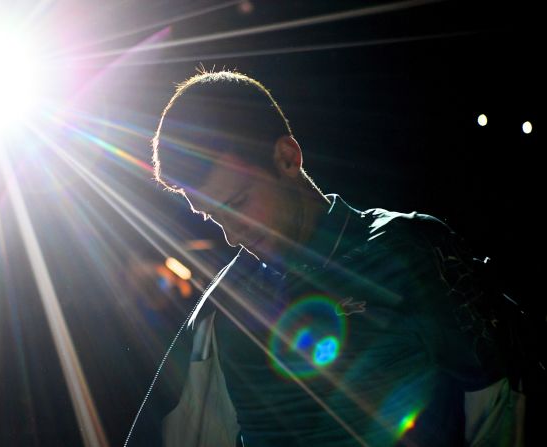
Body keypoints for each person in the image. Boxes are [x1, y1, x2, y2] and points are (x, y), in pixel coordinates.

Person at [147, 69, 523, 446]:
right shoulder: (222, 307)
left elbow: (507, 410)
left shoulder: (411, 252)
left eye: (239, 203)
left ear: (287, 157)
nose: (231, 235)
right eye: (215, 217)